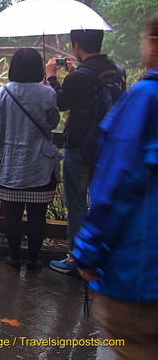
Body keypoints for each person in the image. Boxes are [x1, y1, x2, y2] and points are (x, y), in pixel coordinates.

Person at [72, 15, 158, 358]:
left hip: (141, 273)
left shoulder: (147, 97)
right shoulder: (117, 73)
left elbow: (119, 187)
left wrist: (88, 252)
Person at [45, 29, 126, 275]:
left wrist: (52, 78)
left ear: (76, 44)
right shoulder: (117, 72)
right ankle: (101, 257)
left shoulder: (79, 77)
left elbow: (61, 103)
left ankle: (77, 258)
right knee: (101, 203)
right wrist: (73, 75)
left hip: (80, 146)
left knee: (77, 204)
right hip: (109, 148)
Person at [0, 48, 61, 270]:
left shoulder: (2, 93)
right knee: (38, 214)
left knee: (12, 213)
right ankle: (33, 260)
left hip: (11, 164)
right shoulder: (48, 94)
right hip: (40, 165)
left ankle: (14, 257)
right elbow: (54, 123)